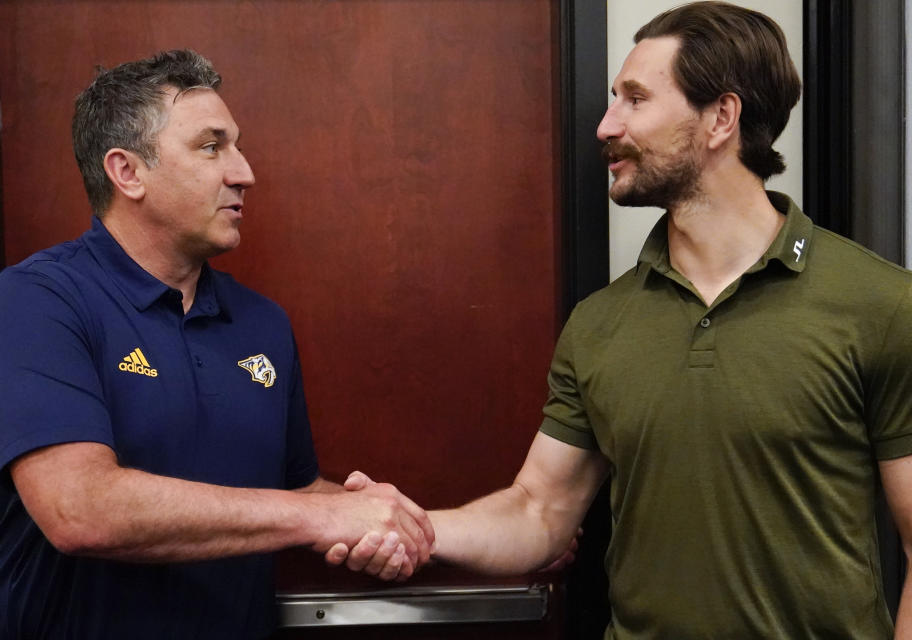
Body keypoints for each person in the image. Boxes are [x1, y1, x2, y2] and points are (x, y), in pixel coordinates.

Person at [343, 2, 912, 637]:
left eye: (635, 99)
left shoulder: (881, 305)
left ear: (721, 117)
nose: (606, 125)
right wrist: (409, 523)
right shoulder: (599, 324)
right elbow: (539, 511)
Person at [0, 50, 432, 639]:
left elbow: (294, 491)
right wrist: (322, 514)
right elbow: (79, 509)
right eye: (212, 146)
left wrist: (389, 525)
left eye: (235, 146)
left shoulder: (262, 323)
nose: (244, 172)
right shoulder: (37, 301)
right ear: (128, 172)